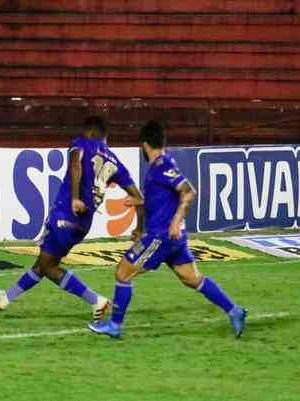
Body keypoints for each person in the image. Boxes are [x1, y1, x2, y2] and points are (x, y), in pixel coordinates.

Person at [88, 120, 246, 338]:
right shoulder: (158, 167)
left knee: (123, 273)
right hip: (172, 238)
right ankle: (235, 311)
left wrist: (175, 221)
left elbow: (188, 191)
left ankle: (115, 326)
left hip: (162, 236)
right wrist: (140, 217)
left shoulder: (162, 166)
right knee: (192, 278)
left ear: (144, 145)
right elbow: (162, 201)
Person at [0, 116, 144, 321]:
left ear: (89, 132)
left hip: (66, 213)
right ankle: (6, 297)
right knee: (45, 261)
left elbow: (75, 164)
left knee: (48, 266)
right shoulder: (114, 160)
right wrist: (140, 228)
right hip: (84, 224)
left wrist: (76, 198)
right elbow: (139, 198)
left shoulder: (82, 142)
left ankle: (96, 300)